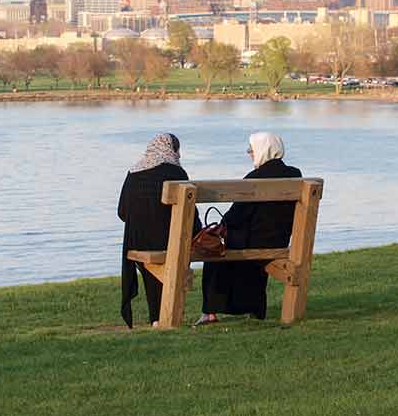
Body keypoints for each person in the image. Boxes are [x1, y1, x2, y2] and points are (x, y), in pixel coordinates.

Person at [196, 132, 301, 326]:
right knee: (246, 250)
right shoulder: (296, 175)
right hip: (279, 240)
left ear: (263, 150)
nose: (250, 154)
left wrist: (223, 225)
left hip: (253, 241)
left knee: (214, 252)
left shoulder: (255, 178)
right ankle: (255, 309)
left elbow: (236, 215)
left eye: (252, 150)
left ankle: (209, 313)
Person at [118, 133, 199, 329]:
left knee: (151, 263)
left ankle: (156, 317)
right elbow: (189, 212)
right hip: (168, 238)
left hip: (137, 240)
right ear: (172, 149)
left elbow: (122, 212)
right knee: (169, 247)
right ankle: (162, 317)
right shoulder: (176, 172)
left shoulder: (134, 171)